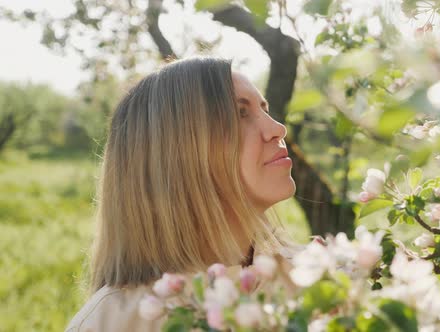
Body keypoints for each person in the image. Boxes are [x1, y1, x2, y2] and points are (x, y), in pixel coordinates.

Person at [66, 57, 298, 331]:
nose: (277, 129)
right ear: (177, 155)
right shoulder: (114, 323)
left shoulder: (314, 278)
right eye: (240, 114)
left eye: (264, 109)